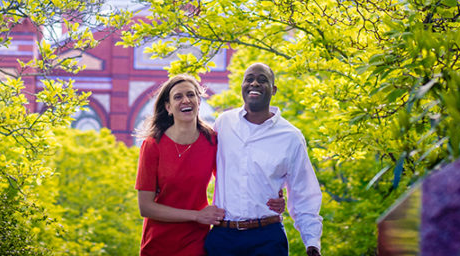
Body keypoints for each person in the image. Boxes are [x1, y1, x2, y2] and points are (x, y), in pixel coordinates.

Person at [207, 62, 324, 256]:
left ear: (273, 89)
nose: (254, 83)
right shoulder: (223, 123)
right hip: (223, 237)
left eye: (262, 80)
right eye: (249, 79)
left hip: (267, 239)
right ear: (242, 86)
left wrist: (312, 242)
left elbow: (304, 192)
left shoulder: (291, 136)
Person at [134, 74, 225, 256]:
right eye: (178, 96)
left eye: (191, 95)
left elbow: (233, 178)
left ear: (199, 102)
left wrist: (272, 195)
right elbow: (145, 207)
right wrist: (196, 216)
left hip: (195, 241)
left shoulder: (213, 141)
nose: (186, 100)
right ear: (168, 107)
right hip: (158, 243)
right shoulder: (153, 145)